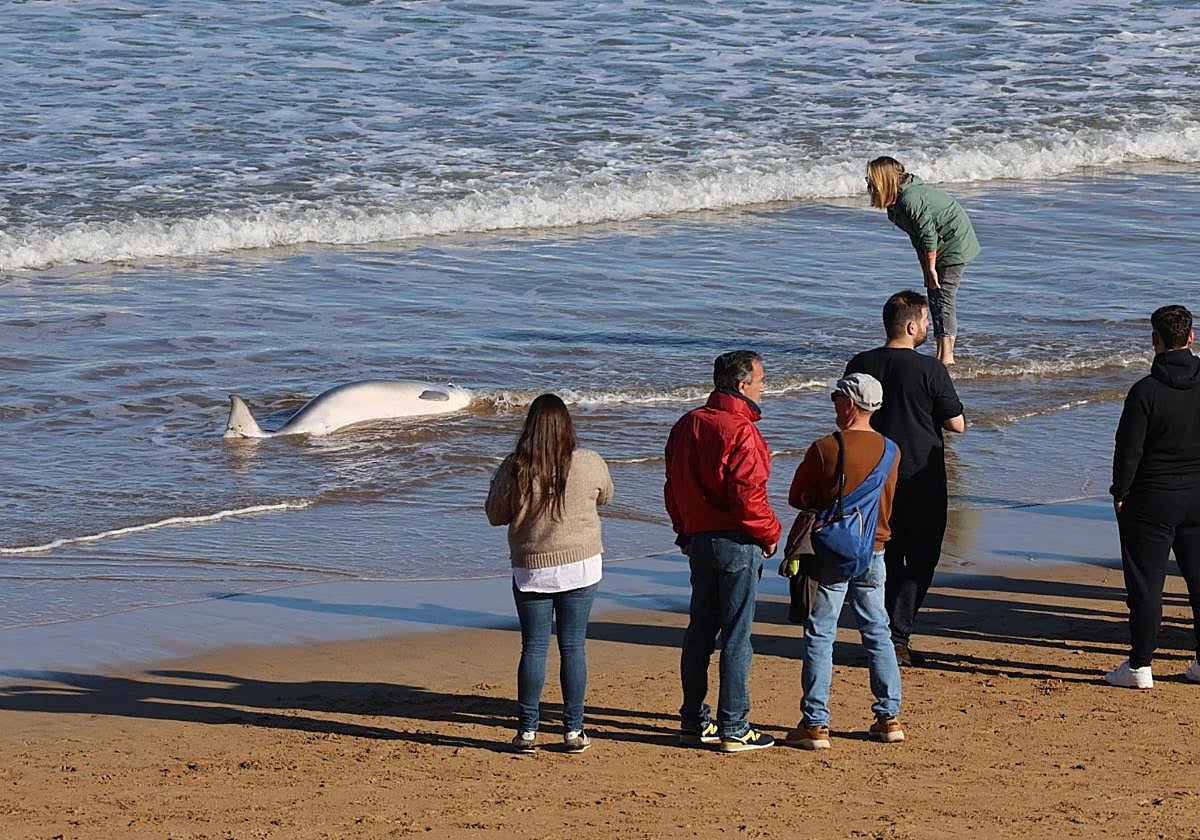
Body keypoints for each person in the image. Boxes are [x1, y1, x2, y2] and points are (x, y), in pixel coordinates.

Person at [664, 350, 782, 752]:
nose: (764, 387)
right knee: (736, 633)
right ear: (742, 385)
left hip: (700, 538)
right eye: (761, 380)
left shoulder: (687, 424)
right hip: (735, 540)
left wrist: (684, 529)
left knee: (700, 629)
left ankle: (694, 719)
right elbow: (748, 495)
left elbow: (674, 486)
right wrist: (770, 533)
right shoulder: (740, 430)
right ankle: (734, 725)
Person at [485, 393, 614, 753]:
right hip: (581, 564)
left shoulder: (515, 467)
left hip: (532, 567)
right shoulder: (588, 462)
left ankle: (527, 731)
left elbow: (495, 514)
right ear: (567, 426)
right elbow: (606, 495)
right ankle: (573, 731)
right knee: (573, 646)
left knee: (534, 647)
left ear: (530, 428)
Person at [845, 290, 966, 667]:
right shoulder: (931, 370)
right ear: (912, 325)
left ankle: (879, 631)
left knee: (881, 554)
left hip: (869, 472)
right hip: (918, 474)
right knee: (922, 555)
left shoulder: (860, 362)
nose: (928, 327)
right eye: (927, 322)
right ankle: (897, 635)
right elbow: (956, 424)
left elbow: (845, 413)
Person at [784, 373, 904, 749]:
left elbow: (796, 496)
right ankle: (889, 716)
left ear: (850, 404)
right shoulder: (891, 451)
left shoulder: (826, 447)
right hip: (875, 549)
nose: (834, 403)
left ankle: (816, 722)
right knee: (877, 630)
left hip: (833, 550)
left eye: (837, 397)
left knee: (821, 631)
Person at [1106, 305, 1200, 689]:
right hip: (1197, 494)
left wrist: (1120, 492)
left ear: (1155, 341)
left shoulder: (1145, 391)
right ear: (1191, 338)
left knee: (1146, 584)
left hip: (1152, 498)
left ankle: (1141, 665)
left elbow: (1128, 450)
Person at [866, 156, 981, 366]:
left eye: (871, 179)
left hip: (955, 241)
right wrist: (926, 271)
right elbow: (916, 237)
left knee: (943, 297)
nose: (869, 184)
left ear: (884, 179)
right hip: (936, 244)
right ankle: (941, 353)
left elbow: (928, 235)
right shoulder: (895, 204)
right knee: (934, 293)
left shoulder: (910, 198)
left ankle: (946, 357)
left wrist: (932, 268)